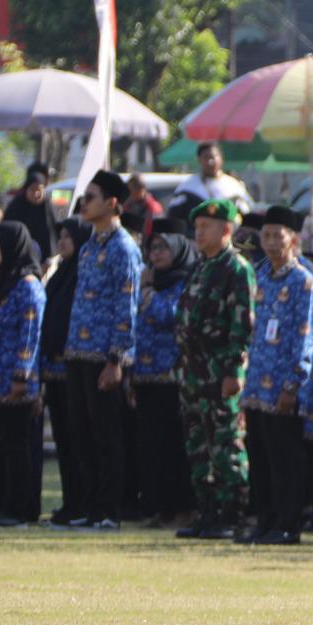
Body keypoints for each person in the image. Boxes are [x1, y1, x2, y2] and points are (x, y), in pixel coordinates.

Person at [61, 169, 142, 531]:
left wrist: (116, 359)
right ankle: (88, 505)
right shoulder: (90, 245)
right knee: (80, 432)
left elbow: (127, 304)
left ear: (112, 203)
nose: (84, 204)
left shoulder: (124, 248)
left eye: (91, 197)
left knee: (106, 434)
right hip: (78, 350)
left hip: (103, 356)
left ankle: (109, 509)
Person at [238, 205, 313, 544]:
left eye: (277, 236)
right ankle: (266, 520)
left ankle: (288, 524)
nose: (270, 242)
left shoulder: (303, 281)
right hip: (257, 383)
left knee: (285, 458)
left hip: (283, 386)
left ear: (293, 239)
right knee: (260, 458)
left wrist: (293, 383)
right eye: (266, 236)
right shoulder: (258, 276)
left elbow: (305, 337)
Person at [175, 198, 255, 540]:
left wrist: (234, 371)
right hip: (192, 372)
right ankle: (206, 512)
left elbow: (242, 323)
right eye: (196, 227)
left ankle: (231, 515)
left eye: (205, 227)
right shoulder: (201, 265)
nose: (199, 233)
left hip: (218, 371)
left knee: (225, 445)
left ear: (226, 229)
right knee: (198, 446)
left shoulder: (235, 268)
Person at [0, 220, 47, 525]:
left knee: (13, 445)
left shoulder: (28, 286)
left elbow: (30, 334)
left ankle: (17, 509)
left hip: (12, 381)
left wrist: (21, 376)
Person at [129, 223, 201, 527]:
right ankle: (160, 508)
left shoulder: (185, 282)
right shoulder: (151, 282)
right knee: (151, 446)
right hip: (145, 375)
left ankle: (182, 509)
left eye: (163, 248)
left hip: (173, 377)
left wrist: (145, 292)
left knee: (174, 445)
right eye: (153, 248)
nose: (156, 254)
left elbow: (169, 315)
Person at [39, 221, 88, 525]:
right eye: (61, 237)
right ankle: (70, 503)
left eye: (69, 237)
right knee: (62, 439)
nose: (63, 242)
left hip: (73, 366)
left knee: (76, 437)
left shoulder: (82, 274)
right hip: (53, 368)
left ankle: (83, 502)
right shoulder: (59, 274)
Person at [4, 163, 58, 260]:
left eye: (39, 190)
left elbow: (53, 236)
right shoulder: (15, 208)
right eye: (33, 190)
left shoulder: (47, 208)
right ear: (26, 190)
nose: (36, 193)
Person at [171, 141, 248, 209]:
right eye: (206, 157)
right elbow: (175, 214)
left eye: (213, 157)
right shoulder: (187, 186)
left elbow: (246, 210)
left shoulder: (233, 186)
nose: (210, 162)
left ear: (221, 158)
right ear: (199, 159)